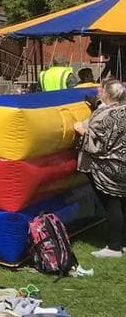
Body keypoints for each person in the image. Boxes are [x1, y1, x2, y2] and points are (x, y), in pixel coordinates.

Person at [74, 79, 126, 258]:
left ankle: (114, 247)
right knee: (122, 202)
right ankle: (123, 242)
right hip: (122, 164)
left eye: (102, 90)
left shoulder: (102, 115)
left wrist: (81, 130)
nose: (99, 92)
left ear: (108, 94)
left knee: (111, 204)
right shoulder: (123, 110)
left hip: (106, 168)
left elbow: (96, 143)